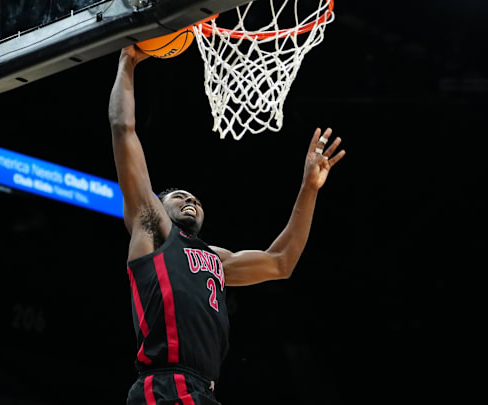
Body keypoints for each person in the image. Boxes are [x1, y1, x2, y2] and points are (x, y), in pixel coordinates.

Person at [110, 45, 346, 405]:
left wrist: (309, 188)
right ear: (157, 204)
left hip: (203, 390)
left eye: (196, 200)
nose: (191, 200)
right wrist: (127, 62)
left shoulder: (216, 260)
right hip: (165, 387)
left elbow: (280, 261)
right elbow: (123, 130)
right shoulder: (152, 228)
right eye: (180, 196)